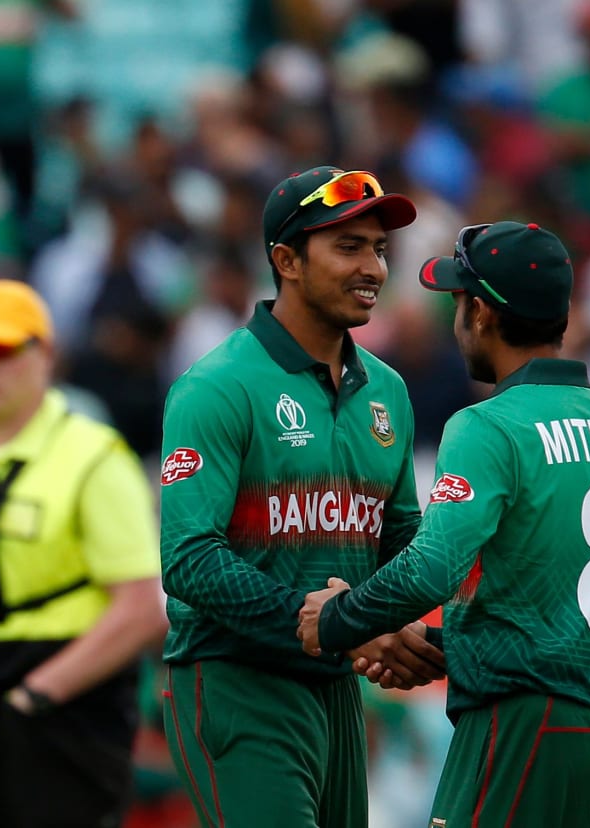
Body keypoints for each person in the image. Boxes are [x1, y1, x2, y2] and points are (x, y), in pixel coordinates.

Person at [298, 221, 590, 827]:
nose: (455, 318)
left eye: (459, 301)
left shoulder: (487, 425)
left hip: (520, 729)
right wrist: (435, 647)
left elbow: (433, 567)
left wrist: (337, 617)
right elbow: (550, 614)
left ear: (483, 313)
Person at [158, 166, 441, 828]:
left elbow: (399, 537)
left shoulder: (388, 392)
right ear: (286, 260)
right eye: (348, 247)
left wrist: (386, 622)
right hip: (235, 681)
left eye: (378, 248)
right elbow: (189, 560)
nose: (373, 267)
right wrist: (325, 624)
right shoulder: (218, 386)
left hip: (339, 692)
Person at [0, 279, 166, 827]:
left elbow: (142, 609)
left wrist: (36, 695)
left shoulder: (95, 456)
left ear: (45, 354)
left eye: (0, 351)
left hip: (64, 707)